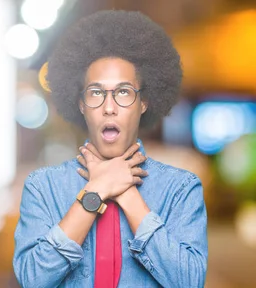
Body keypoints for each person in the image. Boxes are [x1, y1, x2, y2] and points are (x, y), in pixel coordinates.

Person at [13, 10, 207, 288]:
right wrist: (95, 191)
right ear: (81, 104)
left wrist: (127, 193)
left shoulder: (181, 189)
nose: (109, 106)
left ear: (143, 103)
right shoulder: (42, 187)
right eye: (96, 92)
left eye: (124, 92)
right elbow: (32, 280)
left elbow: (190, 282)